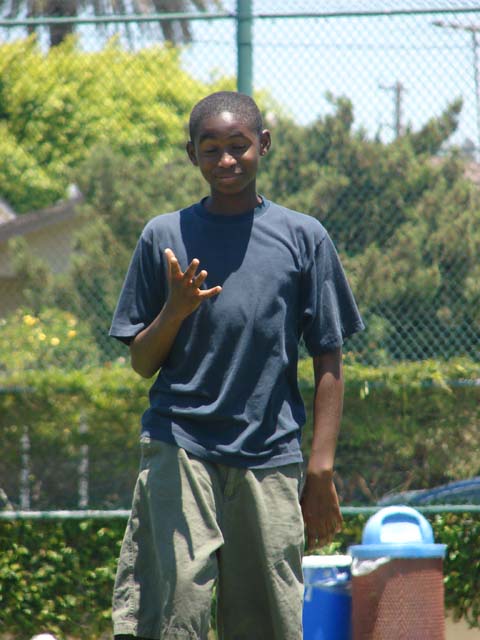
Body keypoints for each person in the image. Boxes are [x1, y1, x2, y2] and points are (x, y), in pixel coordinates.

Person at [109, 91, 364, 640]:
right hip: (180, 444)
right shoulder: (163, 236)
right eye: (210, 149)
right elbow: (141, 361)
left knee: (267, 615)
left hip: (269, 454)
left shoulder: (304, 237)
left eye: (238, 145)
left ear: (263, 145)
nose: (225, 160)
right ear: (192, 155)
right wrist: (175, 311)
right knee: (178, 602)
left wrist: (320, 470)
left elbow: (328, 355)